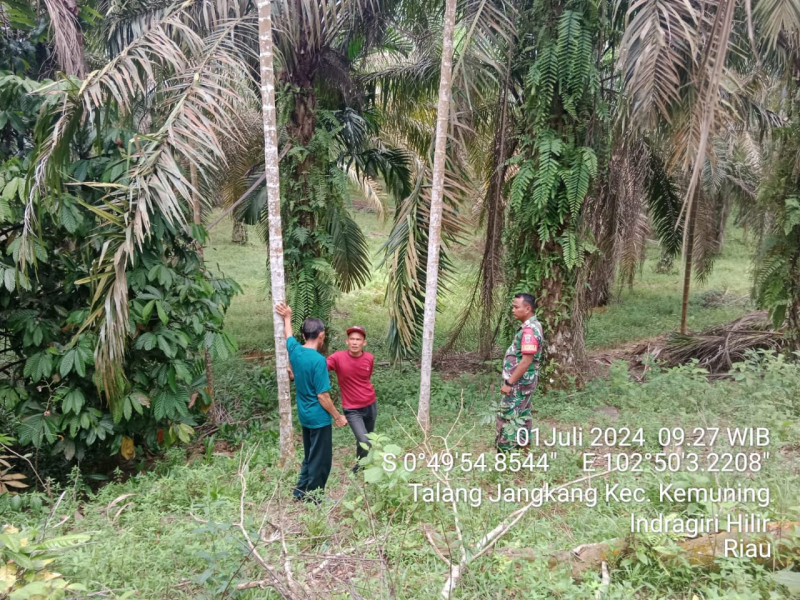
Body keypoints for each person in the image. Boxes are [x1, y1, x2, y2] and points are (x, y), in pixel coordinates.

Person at [275, 302, 347, 503]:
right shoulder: (318, 361)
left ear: (305, 335)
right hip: (319, 418)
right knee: (321, 460)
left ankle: (300, 491)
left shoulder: (295, 351)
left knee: (309, 455)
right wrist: (337, 416)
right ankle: (315, 497)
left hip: (304, 416)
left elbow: (288, 336)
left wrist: (287, 317)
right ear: (321, 335)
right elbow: (323, 396)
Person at [496, 293, 544, 452]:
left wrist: (509, 383)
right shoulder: (534, 326)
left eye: (516, 307)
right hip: (525, 382)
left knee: (507, 416)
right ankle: (524, 449)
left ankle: (504, 456)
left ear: (528, 308)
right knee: (523, 415)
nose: (513, 310)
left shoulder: (529, 331)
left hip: (518, 383)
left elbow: (526, 361)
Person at [326, 326, 377, 472]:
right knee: (364, 440)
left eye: (358, 339)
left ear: (364, 343)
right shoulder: (337, 358)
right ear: (347, 341)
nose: (355, 342)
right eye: (352, 339)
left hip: (370, 404)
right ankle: (361, 466)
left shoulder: (369, 358)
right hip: (352, 408)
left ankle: (361, 465)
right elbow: (320, 367)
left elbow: (367, 378)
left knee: (367, 438)